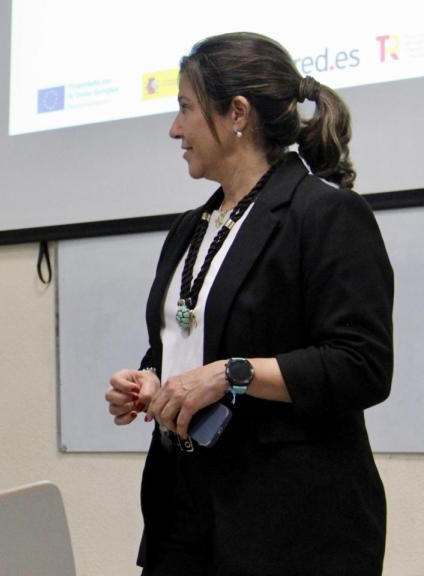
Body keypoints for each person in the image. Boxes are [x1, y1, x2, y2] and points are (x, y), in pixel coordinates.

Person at [104, 32, 392, 575]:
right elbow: (188, 341)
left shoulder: (325, 214)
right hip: (181, 510)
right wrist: (149, 380)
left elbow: (363, 365)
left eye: (185, 108)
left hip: (290, 527)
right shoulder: (190, 228)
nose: (174, 129)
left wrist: (231, 374)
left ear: (237, 113)